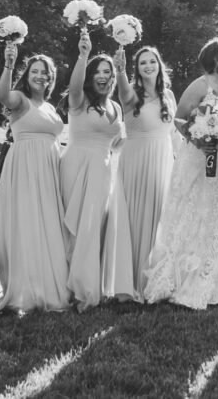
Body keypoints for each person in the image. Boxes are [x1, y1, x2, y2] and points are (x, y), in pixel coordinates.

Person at [143, 40, 218, 308]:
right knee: (189, 210)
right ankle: (177, 277)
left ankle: (212, 274)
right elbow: (178, 118)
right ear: (216, 57)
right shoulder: (201, 84)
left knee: (214, 213)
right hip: (194, 157)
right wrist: (200, 137)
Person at [0, 45, 70, 313]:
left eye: (44, 73)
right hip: (25, 167)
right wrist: (9, 64)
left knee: (49, 221)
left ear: (50, 78)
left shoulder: (47, 105)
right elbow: (3, 95)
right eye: (35, 71)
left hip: (49, 168)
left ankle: (51, 278)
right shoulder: (20, 99)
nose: (39, 76)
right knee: (28, 222)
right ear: (27, 75)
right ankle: (28, 286)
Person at [60, 34, 131, 310]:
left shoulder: (114, 107)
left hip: (103, 170)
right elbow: (74, 84)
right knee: (77, 228)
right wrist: (82, 55)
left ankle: (90, 284)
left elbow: (118, 143)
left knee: (94, 227)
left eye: (108, 72)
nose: (103, 76)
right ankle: (76, 288)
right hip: (77, 165)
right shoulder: (79, 101)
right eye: (98, 72)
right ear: (90, 76)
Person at [113, 45, 177, 299]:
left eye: (152, 61)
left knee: (162, 214)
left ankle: (158, 278)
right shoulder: (131, 95)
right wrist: (119, 70)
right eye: (142, 63)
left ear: (159, 64)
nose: (148, 66)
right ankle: (135, 280)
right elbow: (122, 90)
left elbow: (174, 133)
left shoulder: (168, 95)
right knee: (138, 215)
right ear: (136, 69)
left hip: (164, 160)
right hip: (137, 160)